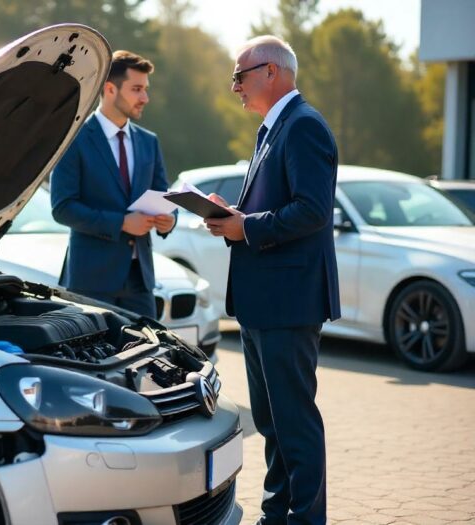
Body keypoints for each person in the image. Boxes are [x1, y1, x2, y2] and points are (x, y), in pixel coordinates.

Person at [205, 36, 340, 525]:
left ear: (271, 72)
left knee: (295, 423)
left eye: (239, 75)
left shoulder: (304, 126)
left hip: (289, 303)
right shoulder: (272, 128)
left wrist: (248, 227)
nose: (235, 86)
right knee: (271, 423)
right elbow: (275, 208)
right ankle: (276, 515)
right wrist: (234, 218)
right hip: (264, 302)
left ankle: (305, 520)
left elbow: (312, 211)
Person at [51, 50, 176, 317]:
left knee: (149, 355)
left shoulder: (148, 142)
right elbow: (62, 208)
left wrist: (169, 219)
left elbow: (163, 196)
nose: (145, 98)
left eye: (145, 89)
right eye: (137, 89)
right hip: (90, 281)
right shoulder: (73, 138)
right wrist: (121, 222)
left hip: (140, 281)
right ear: (110, 89)